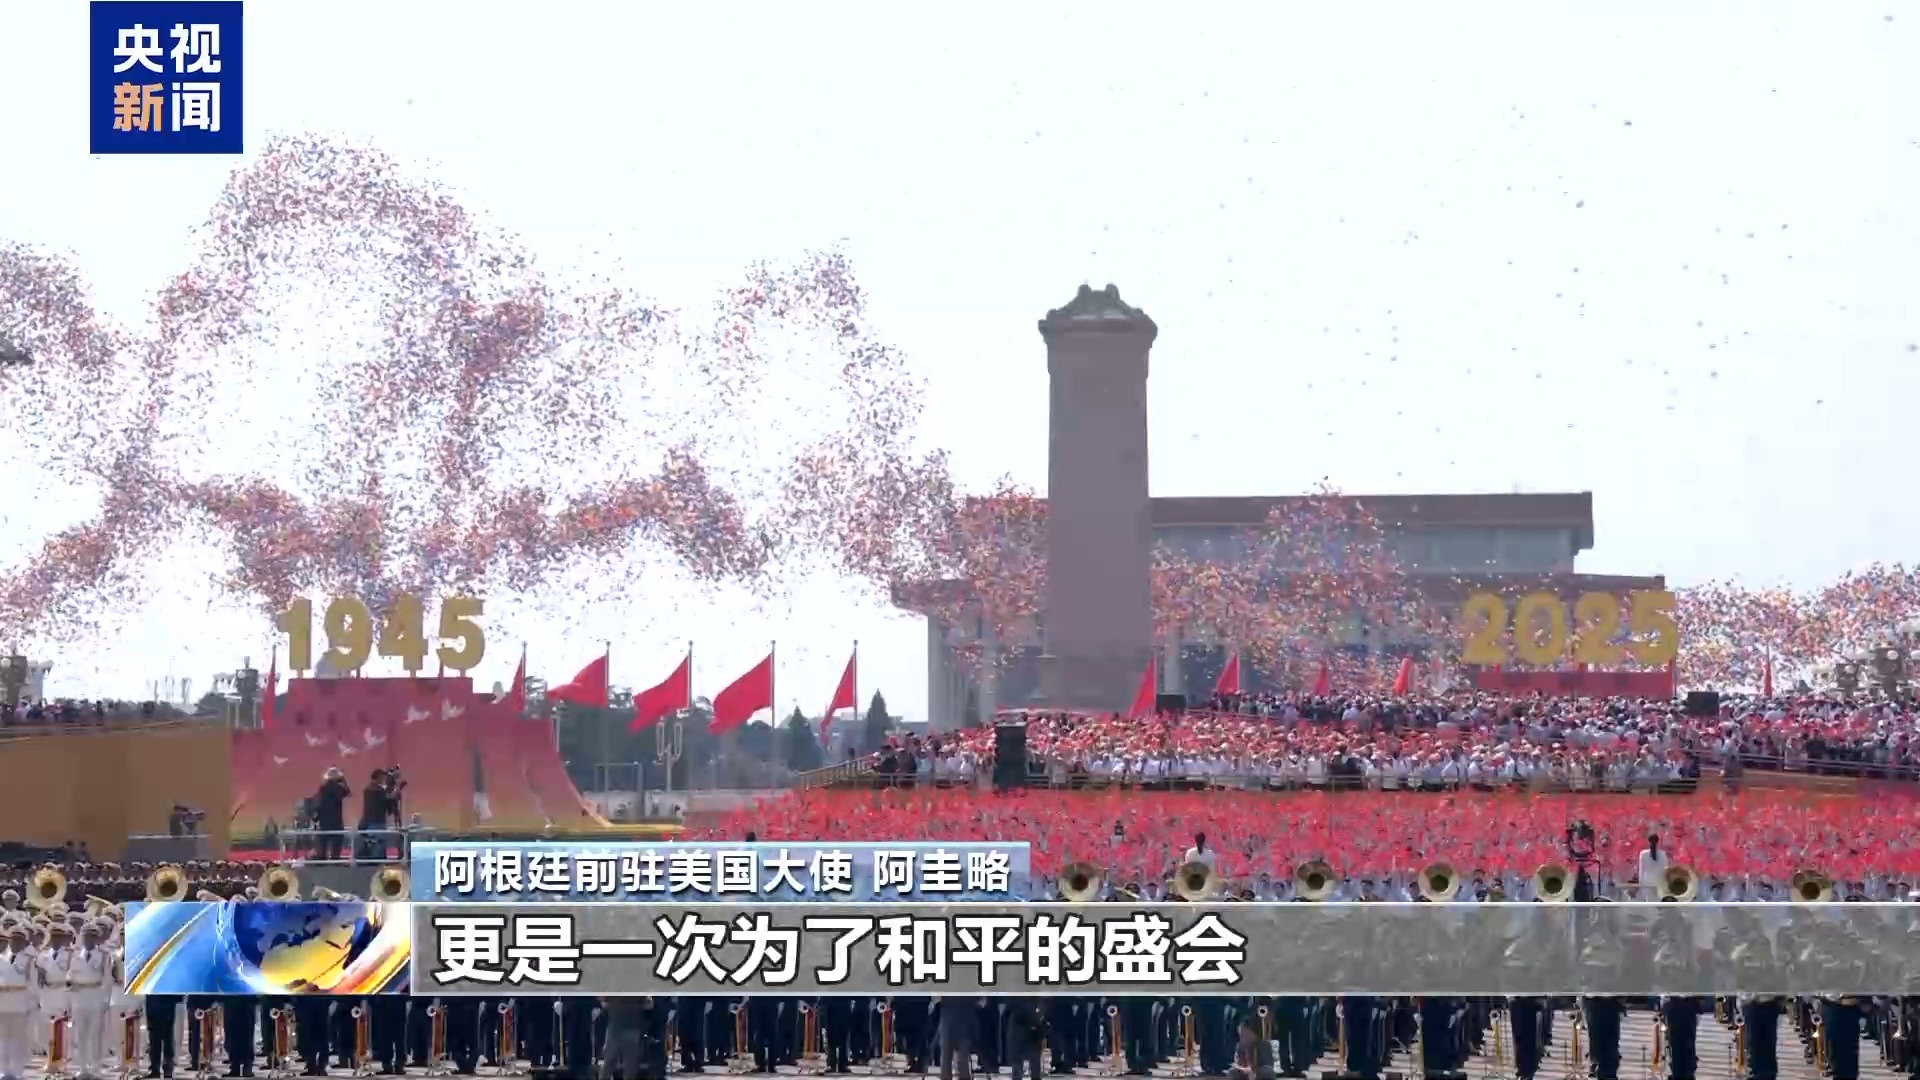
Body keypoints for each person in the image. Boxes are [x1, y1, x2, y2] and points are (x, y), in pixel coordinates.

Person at [67, 920, 114, 1080]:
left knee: (95, 1034)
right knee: (80, 1034)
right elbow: (70, 975)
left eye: (91, 937)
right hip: (79, 997)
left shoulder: (104, 956)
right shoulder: (75, 955)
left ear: (96, 938)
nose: (87, 940)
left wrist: (106, 1000)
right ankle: (82, 1067)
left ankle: (95, 1068)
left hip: (95, 996)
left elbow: (107, 979)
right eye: (85, 936)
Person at [0, 922, 35, 1080]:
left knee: (17, 1040)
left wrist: (32, 1005)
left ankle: (17, 1071)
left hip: (20, 1004)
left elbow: (33, 984)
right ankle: (4, 1070)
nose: (15, 943)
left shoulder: (28, 960)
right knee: (3, 1039)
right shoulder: (1, 958)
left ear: (24, 942)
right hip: (2, 1004)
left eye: (19, 940)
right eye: (13, 939)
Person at [313, 768, 351, 861]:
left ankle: (322, 859)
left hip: (324, 820)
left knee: (323, 844)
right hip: (336, 820)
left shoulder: (322, 788)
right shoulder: (339, 788)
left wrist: (317, 817)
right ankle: (335, 860)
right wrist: (343, 780)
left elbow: (318, 803)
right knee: (336, 844)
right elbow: (348, 793)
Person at [935, 996, 976, 1080]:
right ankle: (963, 1076)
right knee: (962, 1051)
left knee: (947, 1052)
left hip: (951, 1012)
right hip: (964, 1013)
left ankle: (949, 1076)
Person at [1227, 1015, 1274, 1080]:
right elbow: (1237, 1063)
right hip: (1244, 1070)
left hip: (1259, 1071)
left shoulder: (1265, 1045)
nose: (1242, 1035)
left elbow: (1268, 1066)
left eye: (1244, 1032)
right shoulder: (1240, 1045)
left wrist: (1254, 1069)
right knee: (1232, 1072)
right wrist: (1244, 1068)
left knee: (1268, 1072)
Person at [1637, 834, 1669, 900]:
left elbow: (1641, 870)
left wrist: (1640, 884)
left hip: (1647, 883)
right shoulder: (1663, 854)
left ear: (1648, 842)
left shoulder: (1643, 854)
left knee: (1649, 903)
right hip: (1659, 883)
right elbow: (1666, 870)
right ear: (1658, 842)